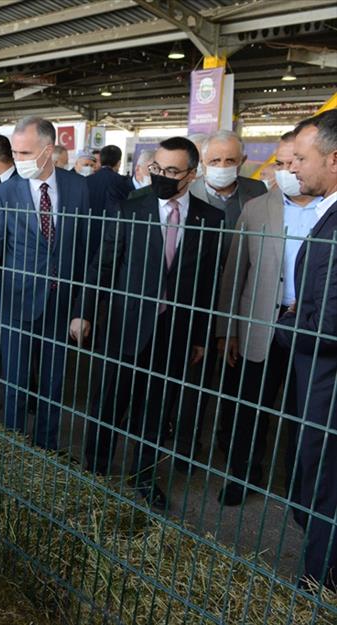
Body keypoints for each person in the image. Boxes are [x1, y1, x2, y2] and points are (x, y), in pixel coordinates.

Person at [70, 137, 223, 509]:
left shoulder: (211, 218)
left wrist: (201, 336)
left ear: (191, 174)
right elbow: (103, 265)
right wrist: (85, 311)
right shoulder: (129, 208)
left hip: (175, 331)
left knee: (157, 409)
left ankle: (142, 476)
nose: (162, 177)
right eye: (157, 169)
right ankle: (96, 469)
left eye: (172, 172)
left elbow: (209, 283)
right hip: (126, 325)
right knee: (108, 402)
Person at [0, 116, 90, 451]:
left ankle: (47, 447)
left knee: (53, 382)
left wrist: (82, 309)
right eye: (16, 153)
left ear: (48, 150)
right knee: (15, 381)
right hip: (16, 301)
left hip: (61, 302)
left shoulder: (79, 188)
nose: (18, 160)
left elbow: (88, 254)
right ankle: (14, 447)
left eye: (24, 153)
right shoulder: (3, 192)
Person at [214, 131, 322, 507]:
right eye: (280, 162)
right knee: (249, 406)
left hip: (309, 325)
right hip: (260, 322)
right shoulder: (258, 208)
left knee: (303, 412)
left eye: (295, 161)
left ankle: (299, 488)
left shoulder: (329, 210)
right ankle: (242, 474)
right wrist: (227, 330)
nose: (287, 169)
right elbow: (235, 273)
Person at [175, 130, 268, 467]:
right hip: (198, 304)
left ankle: (230, 450)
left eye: (230, 160)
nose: (223, 166)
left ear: (242, 162)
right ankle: (185, 447)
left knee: (234, 385)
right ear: (202, 164)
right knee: (192, 384)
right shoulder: (187, 192)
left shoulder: (257, 192)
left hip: (241, 305)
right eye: (215, 160)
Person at [274, 109, 337, 590]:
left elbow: (327, 328)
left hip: (327, 383)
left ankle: (319, 582)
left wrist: (283, 325)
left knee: (324, 483)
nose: (293, 168)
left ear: (333, 160)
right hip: (317, 375)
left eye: (303, 158)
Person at [87, 145, 130, 247]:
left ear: (100, 161)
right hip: (112, 234)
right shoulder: (123, 182)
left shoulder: (87, 180)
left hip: (89, 231)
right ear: (119, 163)